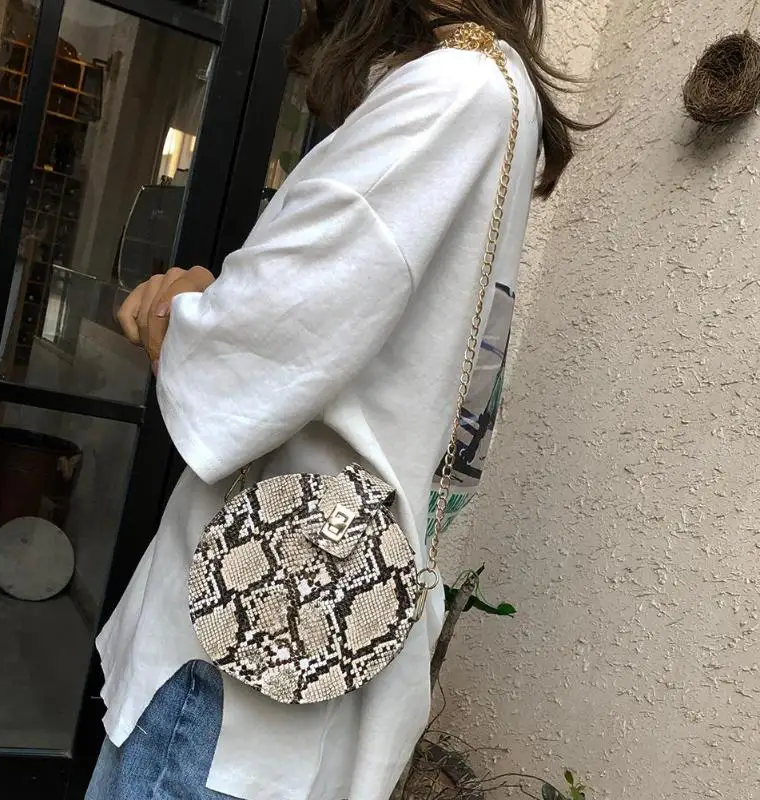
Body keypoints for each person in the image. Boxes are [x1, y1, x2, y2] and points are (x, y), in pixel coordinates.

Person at [86, 1, 588, 798]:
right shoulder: (496, 88)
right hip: (298, 615)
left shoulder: (452, 90)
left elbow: (250, 354)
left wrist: (183, 303)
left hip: (242, 641)